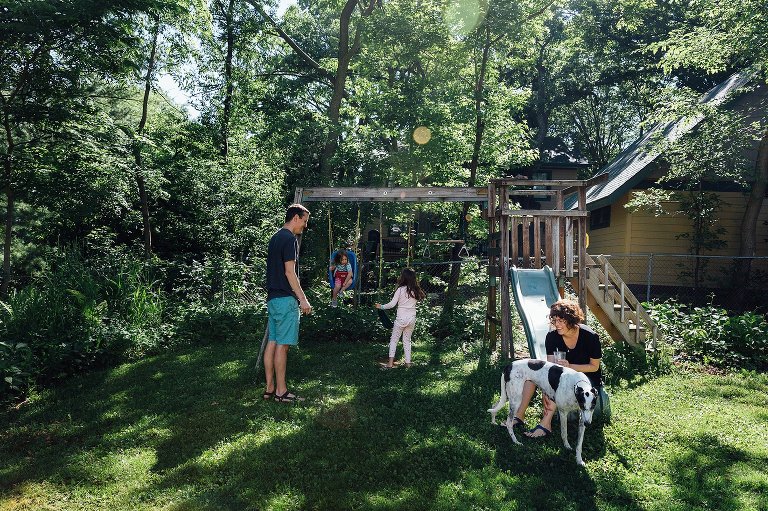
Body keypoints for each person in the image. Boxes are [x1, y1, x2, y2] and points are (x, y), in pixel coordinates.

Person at [510, 299, 603, 438]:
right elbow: (551, 369)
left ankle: (545, 425)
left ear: (571, 319)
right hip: (563, 378)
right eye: (554, 320)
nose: (557, 325)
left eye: (561, 321)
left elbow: (594, 367)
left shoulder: (590, 337)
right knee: (531, 377)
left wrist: (570, 366)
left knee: (559, 385)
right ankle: (519, 416)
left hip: (586, 380)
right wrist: (546, 389)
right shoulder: (552, 337)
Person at [264, 203, 312, 403]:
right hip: (285, 300)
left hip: (273, 299)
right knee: (282, 346)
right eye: (304, 221)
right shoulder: (290, 239)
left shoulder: (275, 238)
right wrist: (303, 299)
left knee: (272, 343)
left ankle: (269, 388)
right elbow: (289, 272)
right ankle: (281, 392)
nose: (305, 226)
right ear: (295, 218)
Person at [375, 267, 426, 368]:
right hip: (411, 319)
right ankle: (408, 363)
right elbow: (421, 298)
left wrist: (381, 306)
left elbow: (392, 304)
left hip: (401, 319)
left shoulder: (400, 290)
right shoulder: (415, 290)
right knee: (407, 340)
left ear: (403, 278)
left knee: (394, 340)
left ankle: (390, 363)